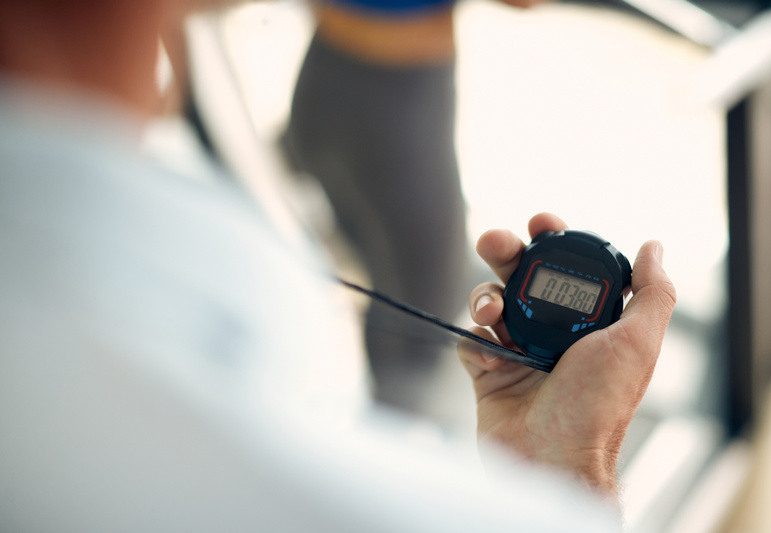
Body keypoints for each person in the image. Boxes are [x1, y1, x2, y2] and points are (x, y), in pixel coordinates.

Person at [0, 0, 676, 530]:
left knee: (383, 259)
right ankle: (394, 420)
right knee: (427, 292)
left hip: (323, 81)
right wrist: (569, 467)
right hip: (404, 101)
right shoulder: (228, 413)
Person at [282, 0, 549, 413]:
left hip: (322, 80)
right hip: (394, 111)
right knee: (426, 310)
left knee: (385, 271)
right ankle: (378, 450)